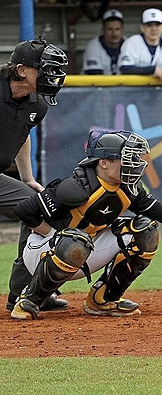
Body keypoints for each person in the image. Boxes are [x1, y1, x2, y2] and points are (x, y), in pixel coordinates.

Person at [10, 130, 162, 320]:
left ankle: (102, 300)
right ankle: (30, 299)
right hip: (45, 253)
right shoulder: (76, 188)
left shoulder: (128, 188)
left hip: (85, 250)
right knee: (74, 240)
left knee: (145, 229)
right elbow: (24, 210)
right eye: (126, 158)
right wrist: (53, 235)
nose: (135, 164)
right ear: (104, 163)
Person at [1, 38, 69, 312]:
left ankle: (26, 292)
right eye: (45, 69)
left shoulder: (37, 104)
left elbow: (22, 133)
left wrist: (27, 176)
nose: (52, 76)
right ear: (21, 70)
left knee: (35, 205)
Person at [118, 8, 162, 88]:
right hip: (133, 93)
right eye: (149, 25)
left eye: (157, 25)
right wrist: (153, 70)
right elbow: (125, 69)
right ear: (142, 27)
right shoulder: (132, 43)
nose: (153, 29)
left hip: (160, 94)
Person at [82, 9, 126, 75]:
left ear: (122, 30)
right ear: (103, 30)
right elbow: (94, 75)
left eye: (117, 29)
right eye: (110, 29)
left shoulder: (129, 45)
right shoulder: (93, 47)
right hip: (94, 84)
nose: (114, 34)